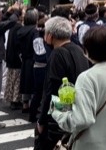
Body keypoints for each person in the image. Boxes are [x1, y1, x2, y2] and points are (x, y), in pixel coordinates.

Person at [51, 26, 106, 149]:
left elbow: (81, 120)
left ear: (87, 51)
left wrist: (57, 110)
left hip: (93, 145)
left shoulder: (86, 78)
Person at [35, 16, 91, 150]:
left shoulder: (57, 54)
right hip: (77, 111)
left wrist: (42, 120)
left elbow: (52, 91)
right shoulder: (78, 49)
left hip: (59, 117)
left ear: (51, 35)